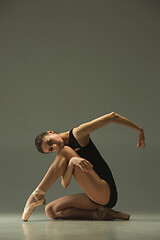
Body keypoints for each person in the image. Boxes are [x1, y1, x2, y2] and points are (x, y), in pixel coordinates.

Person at [22, 112, 145, 221]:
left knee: (65, 150)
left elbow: (112, 116)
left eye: (50, 142)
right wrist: (72, 162)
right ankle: (104, 214)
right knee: (51, 210)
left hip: (105, 190)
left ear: (50, 132)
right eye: (50, 149)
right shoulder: (66, 156)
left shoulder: (77, 134)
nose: (54, 146)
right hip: (95, 197)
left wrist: (139, 129)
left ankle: (37, 195)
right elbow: (65, 183)